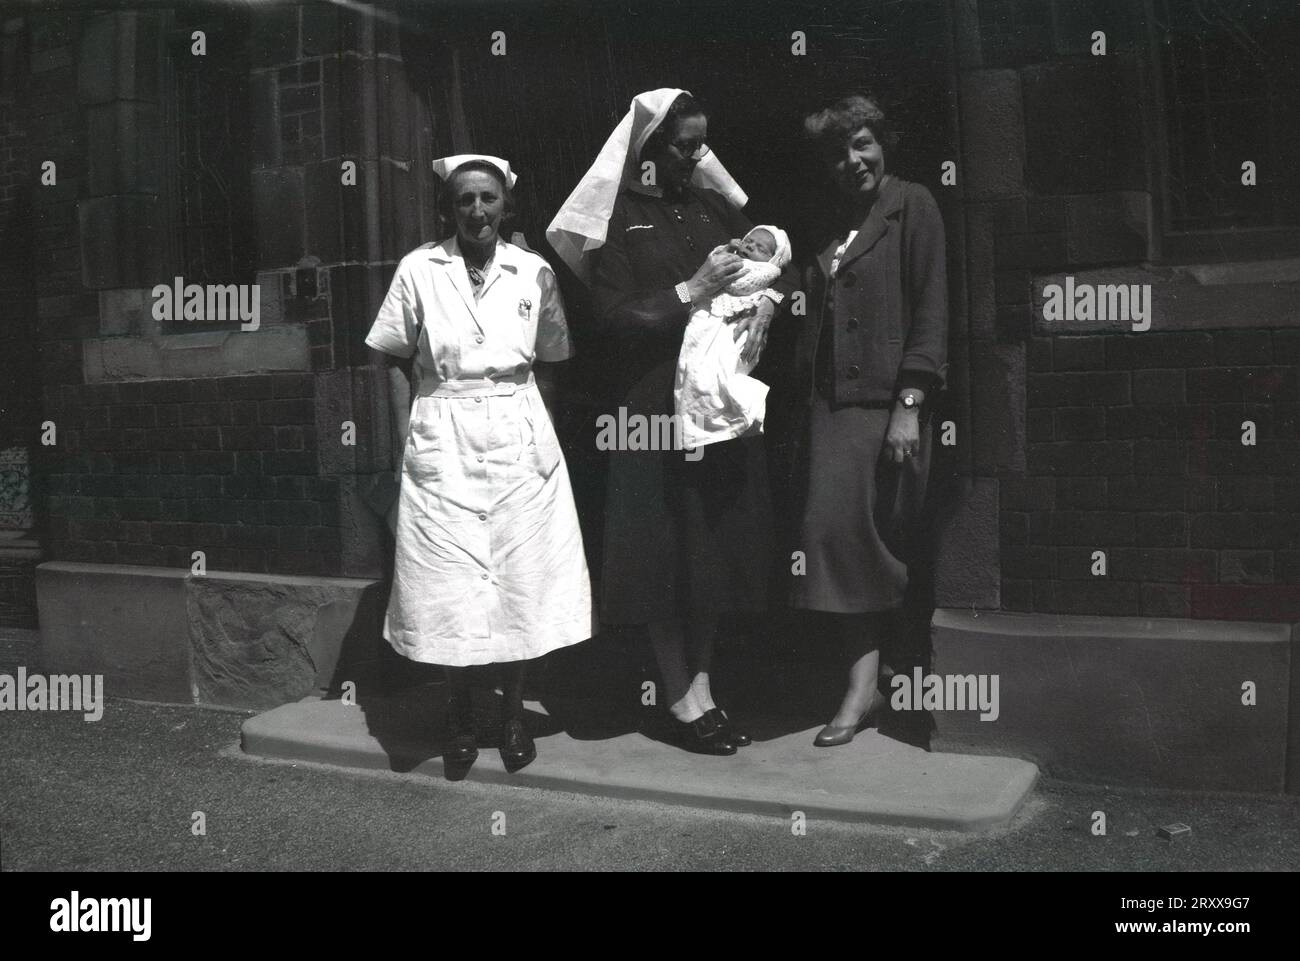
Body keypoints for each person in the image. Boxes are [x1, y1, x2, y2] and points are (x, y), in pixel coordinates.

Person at [548, 88, 795, 756]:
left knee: (710, 543)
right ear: (650, 150)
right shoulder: (619, 217)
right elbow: (610, 318)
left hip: (712, 404)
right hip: (651, 404)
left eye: (699, 143)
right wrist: (693, 290)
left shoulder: (712, 207)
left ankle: (705, 685)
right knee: (659, 545)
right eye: (684, 145)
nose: (696, 155)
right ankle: (679, 691)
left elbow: (766, 267)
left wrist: (771, 296)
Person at [366, 154, 594, 771]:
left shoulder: (533, 272)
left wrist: (537, 433)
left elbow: (551, 359)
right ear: (450, 209)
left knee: (520, 577)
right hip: (443, 428)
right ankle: (461, 718)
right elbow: (390, 354)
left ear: (506, 207)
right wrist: (402, 439)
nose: (477, 211)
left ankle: (514, 713)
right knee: (450, 583)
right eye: (464, 200)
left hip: (518, 431)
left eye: (488, 199)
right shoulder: (420, 268)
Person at [790, 94, 949, 747]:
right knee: (830, 540)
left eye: (861, 145)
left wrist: (909, 407)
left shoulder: (913, 205)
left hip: (888, 407)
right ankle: (863, 684)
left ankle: (887, 684)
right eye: (837, 153)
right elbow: (809, 312)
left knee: (880, 540)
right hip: (829, 410)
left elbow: (932, 309)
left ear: (883, 143)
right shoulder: (832, 224)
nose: (851, 161)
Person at [674, 225, 792, 449]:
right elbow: (682, 293)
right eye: (749, 242)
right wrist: (686, 291)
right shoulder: (719, 257)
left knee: (725, 370)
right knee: (695, 372)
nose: (750, 247)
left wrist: (772, 298)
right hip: (693, 321)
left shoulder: (714, 205)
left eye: (760, 248)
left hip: (736, 328)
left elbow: (789, 274)